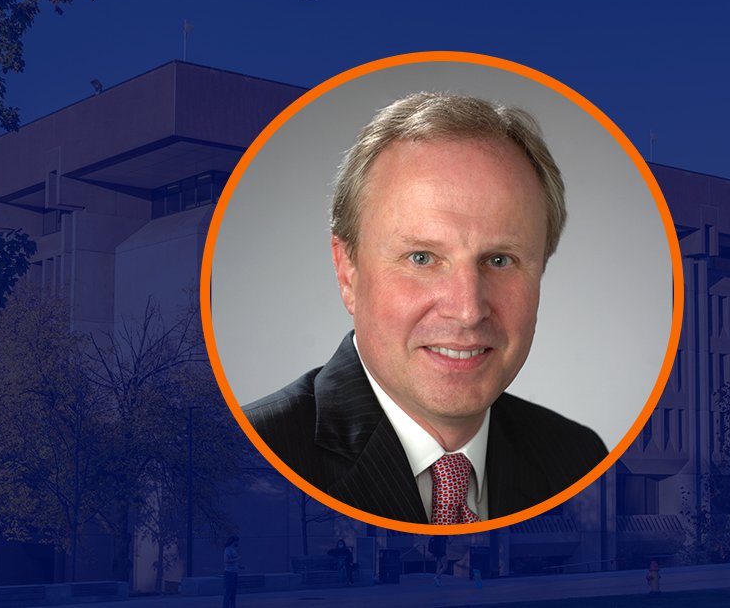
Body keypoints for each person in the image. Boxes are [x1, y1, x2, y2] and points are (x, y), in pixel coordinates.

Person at [244, 92, 608, 525]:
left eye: (499, 260)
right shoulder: (252, 453)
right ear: (348, 272)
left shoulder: (577, 458)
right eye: (422, 258)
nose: (468, 310)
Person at [221, 536, 239, 608]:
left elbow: (234, 561)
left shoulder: (233, 549)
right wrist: (237, 559)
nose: (237, 543)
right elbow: (226, 560)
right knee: (228, 592)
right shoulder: (227, 549)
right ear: (233, 541)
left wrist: (239, 566)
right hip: (229, 573)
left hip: (234, 573)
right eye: (236, 541)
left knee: (233, 592)